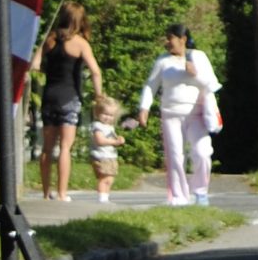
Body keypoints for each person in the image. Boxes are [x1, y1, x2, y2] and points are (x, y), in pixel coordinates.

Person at [138, 22, 223, 207]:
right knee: (175, 156)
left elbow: (212, 84)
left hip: (197, 114)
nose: (167, 42)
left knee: (202, 152)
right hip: (170, 114)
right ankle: (178, 197)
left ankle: (200, 191)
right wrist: (144, 108)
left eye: (170, 38)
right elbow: (150, 85)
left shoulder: (198, 57)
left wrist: (195, 74)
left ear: (183, 39)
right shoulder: (162, 61)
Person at [29, 1, 103, 205]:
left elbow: (34, 65)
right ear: (79, 21)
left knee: (47, 147)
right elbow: (95, 71)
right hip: (70, 97)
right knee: (65, 148)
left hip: (49, 96)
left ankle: (46, 192)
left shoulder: (50, 40)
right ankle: (62, 194)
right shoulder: (80, 43)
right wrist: (98, 96)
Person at [86, 97, 125, 204]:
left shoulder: (110, 127)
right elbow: (100, 140)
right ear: (98, 113)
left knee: (110, 178)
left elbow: (113, 139)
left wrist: (119, 140)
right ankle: (102, 197)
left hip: (110, 156)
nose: (108, 117)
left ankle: (106, 196)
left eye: (111, 115)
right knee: (104, 177)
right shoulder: (97, 126)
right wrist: (114, 142)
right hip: (101, 156)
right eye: (105, 114)